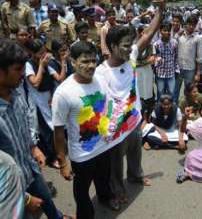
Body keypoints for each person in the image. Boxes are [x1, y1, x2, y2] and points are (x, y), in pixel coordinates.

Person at [95, 0, 167, 203]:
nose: (129, 49)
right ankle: (117, 189)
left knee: (136, 154)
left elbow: (149, 33)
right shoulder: (102, 72)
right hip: (116, 127)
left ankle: (136, 176)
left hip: (134, 121)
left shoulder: (132, 55)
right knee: (116, 163)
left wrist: (160, 10)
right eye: (124, 46)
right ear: (112, 45)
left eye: (130, 45)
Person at [0, 39, 68, 219]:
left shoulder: (16, 93)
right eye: (17, 69)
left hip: (30, 168)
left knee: (48, 202)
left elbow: (23, 126)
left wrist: (33, 147)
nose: (23, 74)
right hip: (13, 189)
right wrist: (26, 199)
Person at [52, 41, 120, 219]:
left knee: (104, 178)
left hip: (104, 146)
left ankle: (105, 197)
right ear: (73, 61)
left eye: (93, 60)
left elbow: (108, 104)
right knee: (82, 192)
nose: (91, 66)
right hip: (82, 155)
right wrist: (63, 162)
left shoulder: (100, 79)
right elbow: (58, 132)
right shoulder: (63, 93)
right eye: (85, 61)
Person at [25, 39, 58, 168]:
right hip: (37, 101)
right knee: (46, 130)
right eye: (39, 53)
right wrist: (41, 65)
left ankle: (52, 153)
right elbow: (36, 82)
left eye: (44, 52)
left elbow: (57, 79)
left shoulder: (46, 62)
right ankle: (51, 157)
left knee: (52, 127)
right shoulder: (29, 65)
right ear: (32, 53)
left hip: (48, 98)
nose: (43, 56)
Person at [175, 15, 202, 102]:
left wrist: (198, 73)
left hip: (190, 69)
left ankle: (186, 108)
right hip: (178, 68)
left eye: (193, 25)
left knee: (188, 91)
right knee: (175, 90)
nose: (191, 26)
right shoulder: (179, 36)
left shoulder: (198, 38)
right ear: (186, 24)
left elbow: (199, 56)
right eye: (189, 24)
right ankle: (175, 108)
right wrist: (176, 36)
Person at [153, 22, 178, 100]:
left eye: (168, 30)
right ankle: (160, 110)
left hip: (171, 73)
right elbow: (154, 58)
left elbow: (176, 57)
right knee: (160, 93)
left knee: (171, 93)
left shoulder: (174, 43)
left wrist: (176, 70)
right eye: (164, 30)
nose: (167, 32)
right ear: (160, 31)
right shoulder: (156, 44)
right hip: (160, 74)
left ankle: (171, 110)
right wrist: (157, 61)